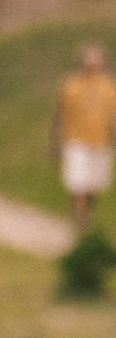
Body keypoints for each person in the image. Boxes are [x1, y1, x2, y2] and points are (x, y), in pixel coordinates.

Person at [52, 41, 116, 234]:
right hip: (76, 141)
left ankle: (86, 217)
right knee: (78, 183)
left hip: (100, 141)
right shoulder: (71, 85)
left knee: (94, 184)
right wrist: (56, 140)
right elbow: (61, 114)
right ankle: (78, 222)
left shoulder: (108, 86)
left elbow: (112, 115)